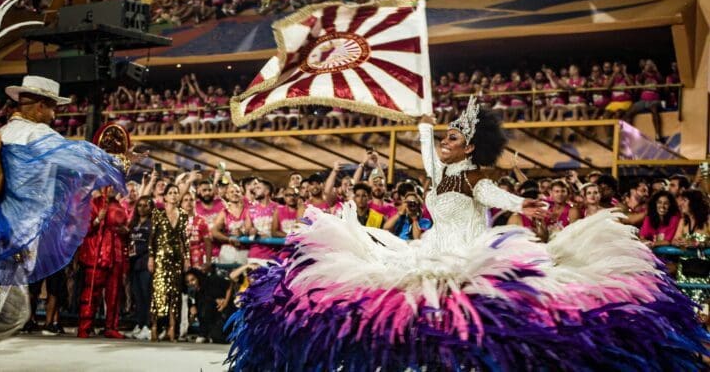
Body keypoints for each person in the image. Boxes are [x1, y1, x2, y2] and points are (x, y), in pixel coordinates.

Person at [227, 96, 708, 371]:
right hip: (430, 251)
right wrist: (422, 122)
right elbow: (427, 148)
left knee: (472, 324)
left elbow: (500, 200)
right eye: (445, 139)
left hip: (470, 258)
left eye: (453, 138)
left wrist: (525, 204)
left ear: (471, 147)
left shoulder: (478, 178)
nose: (444, 143)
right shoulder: (439, 172)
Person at [0, 4, 127, 371]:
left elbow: (62, 172)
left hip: (2, 238)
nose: (55, 114)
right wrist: (116, 163)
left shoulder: (8, 132)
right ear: (38, 106)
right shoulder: (36, 134)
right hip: (1, 241)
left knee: (13, 315)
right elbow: (74, 155)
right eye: (52, 107)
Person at [77, 187, 129, 339]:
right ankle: (85, 327)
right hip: (97, 254)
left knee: (114, 295)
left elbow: (124, 228)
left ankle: (111, 327)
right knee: (91, 292)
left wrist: (124, 231)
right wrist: (98, 220)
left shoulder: (119, 205)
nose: (112, 188)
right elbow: (84, 228)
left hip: (116, 254)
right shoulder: (93, 203)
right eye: (109, 184)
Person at [149, 184, 189, 342]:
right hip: (160, 258)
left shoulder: (183, 214)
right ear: (164, 196)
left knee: (175, 294)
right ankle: (154, 327)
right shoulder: (157, 213)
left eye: (176, 193)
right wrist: (151, 257)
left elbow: (184, 238)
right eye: (170, 193)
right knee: (159, 294)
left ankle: (171, 329)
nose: (173, 195)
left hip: (176, 259)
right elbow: (152, 237)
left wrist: (187, 257)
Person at [128, 196, 153, 341]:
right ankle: (139, 323)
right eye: (139, 205)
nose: (142, 208)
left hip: (145, 262)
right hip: (134, 263)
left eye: (146, 205)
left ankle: (147, 326)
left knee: (146, 295)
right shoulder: (134, 223)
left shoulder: (152, 224)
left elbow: (151, 243)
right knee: (137, 296)